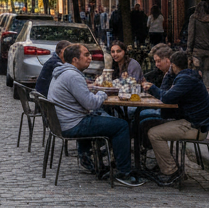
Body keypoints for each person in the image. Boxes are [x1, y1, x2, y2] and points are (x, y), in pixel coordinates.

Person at [47, 43, 145, 187]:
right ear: (75, 60)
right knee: (121, 126)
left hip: (63, 122)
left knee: (108, 119)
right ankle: (124, 173)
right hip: (72, 124)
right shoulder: (72, 75)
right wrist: (102, 93)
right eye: (86, 55)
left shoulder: (63, 72)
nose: (90, 57)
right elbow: (91, 104)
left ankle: (94, 160)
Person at [145, 50, 209, 186]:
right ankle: (162, 165)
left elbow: (166, 97)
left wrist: (152, 87)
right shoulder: (186, 76)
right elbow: (166, 92)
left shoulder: (186, 80)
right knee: (146, 123)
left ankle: (172, 172)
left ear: (173, 65)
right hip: (193, 122)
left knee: (153, 133)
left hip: (195, 126)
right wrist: (169, 76)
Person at [186, 3, 209, 97]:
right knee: (208, 70)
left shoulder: (194, 18)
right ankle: (207, 90)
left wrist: (189, 51)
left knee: (196, 70)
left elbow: (191, 35)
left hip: (197, 50)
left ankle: (197, 91)